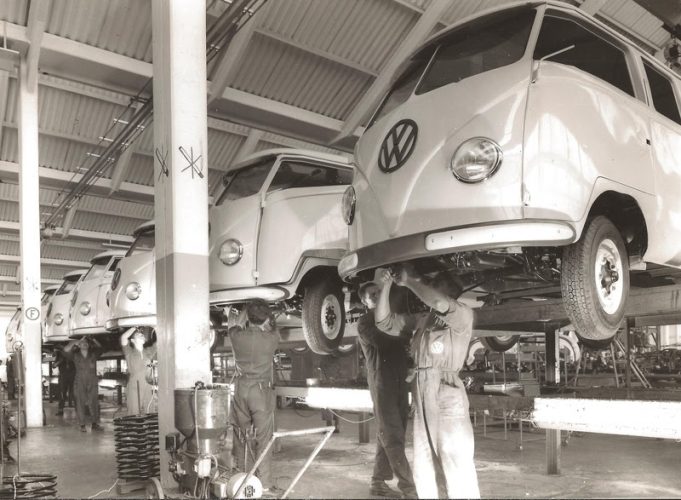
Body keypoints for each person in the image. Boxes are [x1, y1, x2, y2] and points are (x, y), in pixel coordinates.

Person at [374, 265, 480, 499]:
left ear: (446, 291)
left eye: (434, 287)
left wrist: (410, 282)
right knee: (424, 465)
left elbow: (439, 302)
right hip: (422, 392)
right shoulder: (424, 320)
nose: (427, 292)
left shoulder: (462, 314)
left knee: (456, 464)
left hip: (445, 391)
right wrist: (386, 286)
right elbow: (384, 322)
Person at [356, 281, 417, 498]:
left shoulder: (392, 319)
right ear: (364, 301)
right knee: (392, 435)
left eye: (379, 293)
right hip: (382, 382)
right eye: (372, 295)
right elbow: (383, 341)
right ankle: (409, 488)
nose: (376, 296)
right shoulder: (365, 322)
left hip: (399, 382)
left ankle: (378, 481)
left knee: (392, 432)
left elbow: (402, 348)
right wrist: (408, 329)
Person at [229, 299, 281, 495]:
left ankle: (245, 480)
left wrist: (244, 309)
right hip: (260, 391)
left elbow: (234, 324)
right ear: (266, 318)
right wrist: (271, 315)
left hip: (241, 388)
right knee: (263, 438)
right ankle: (265, 484)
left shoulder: (236, 336)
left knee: (242, 436)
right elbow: (273, 327)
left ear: (248, 318)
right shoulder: (271, 338)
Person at [64, 337, 104, 432]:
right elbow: (65, 350)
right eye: (82, 343)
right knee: (80, 402)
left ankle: (94, 424)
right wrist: (74, 342)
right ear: (79, 345)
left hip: (92, 380)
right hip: (80, 380)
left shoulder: (93, 354)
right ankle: (82, 424)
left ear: (89, 345)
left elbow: (101, 348)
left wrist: (94, 339)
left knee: (93, 401)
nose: (85, 344)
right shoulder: (75, 355)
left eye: (86, 343)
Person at [120, 328, 157, 415]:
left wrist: (157, 328)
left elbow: (158, 343)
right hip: (134, 386)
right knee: (134, 412)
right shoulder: (129, 352)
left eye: (142, 335)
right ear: (133, 340)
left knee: (150, 411)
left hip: (148, 385)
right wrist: (134, 327)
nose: (142, 335)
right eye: (138, 335)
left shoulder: (148, 351)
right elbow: (123, 338)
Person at [54, 348, 75, 416]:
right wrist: (60, 361)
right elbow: (54, 366)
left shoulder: (73, 355)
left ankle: (79, 410)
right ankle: (60, 410)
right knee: (62, 394)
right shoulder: (59, 356)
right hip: (63, 377)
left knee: (75, 393)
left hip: (73, 377)